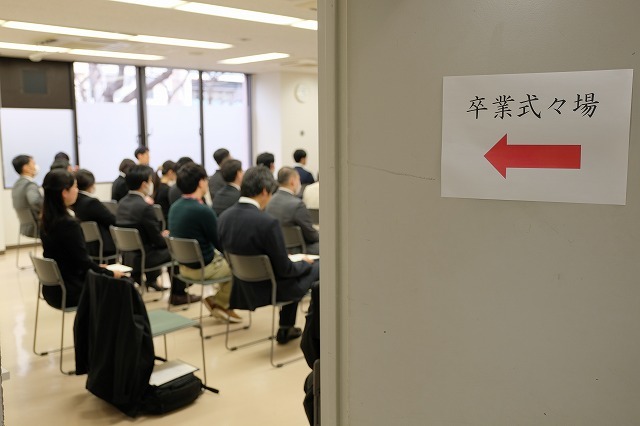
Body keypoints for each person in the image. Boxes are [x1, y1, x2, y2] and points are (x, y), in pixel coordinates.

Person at [218, 166, 319, 344]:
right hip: (270, 288)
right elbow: (286, 270)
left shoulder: (224, 217)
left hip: (242, 285)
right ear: (265, 191)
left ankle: (286, 327)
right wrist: (304, 263)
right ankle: (313, 336)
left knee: (298, 267)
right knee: (320, 267)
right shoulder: (266, 223)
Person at [40, 169, 124, 309]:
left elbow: (72, 259)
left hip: (53, 288)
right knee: (124, 283)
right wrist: (110, 273)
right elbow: (82, 263)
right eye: (75, 187)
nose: (77, 191)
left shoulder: (45, 221)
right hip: (73, 289)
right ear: (64, 192)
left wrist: (97, 267)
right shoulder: (69, 224)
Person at [168, 162, 242, 323]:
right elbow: (220, 242)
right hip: (202, 268)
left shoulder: (175, 207)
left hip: (183, 267)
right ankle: (220, 303)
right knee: (238, 266)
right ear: (201, 182)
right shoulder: (202, 210)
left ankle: (218, 302)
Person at [116, 165, 198, 305]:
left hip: (128, 256)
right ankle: (178, 294)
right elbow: (158, 242)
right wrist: (167, 238)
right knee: (177, 250)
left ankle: (153, 282)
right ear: (144, 184)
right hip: (145, 257)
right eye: (150, 181)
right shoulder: (145, 207)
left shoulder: (122, 203)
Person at [266, 167, 319, 255]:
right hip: (298, 249)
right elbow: (312, 236)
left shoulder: (270, 201)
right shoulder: (297, 205)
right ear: (292, 181)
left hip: (277, 247)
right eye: (298, 179)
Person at [72, 169, 117, 260]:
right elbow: (112, 220)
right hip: (103, 245)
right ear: (90, 184)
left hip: (88, 244)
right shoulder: (91, 202)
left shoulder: (76, 201)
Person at [11, 154, 43, 237]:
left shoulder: (16, 185)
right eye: (33, 164)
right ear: (26, 168)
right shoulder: (30, 185)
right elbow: (35, 201)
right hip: (37, 226)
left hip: (25, 226)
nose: (36, 166)